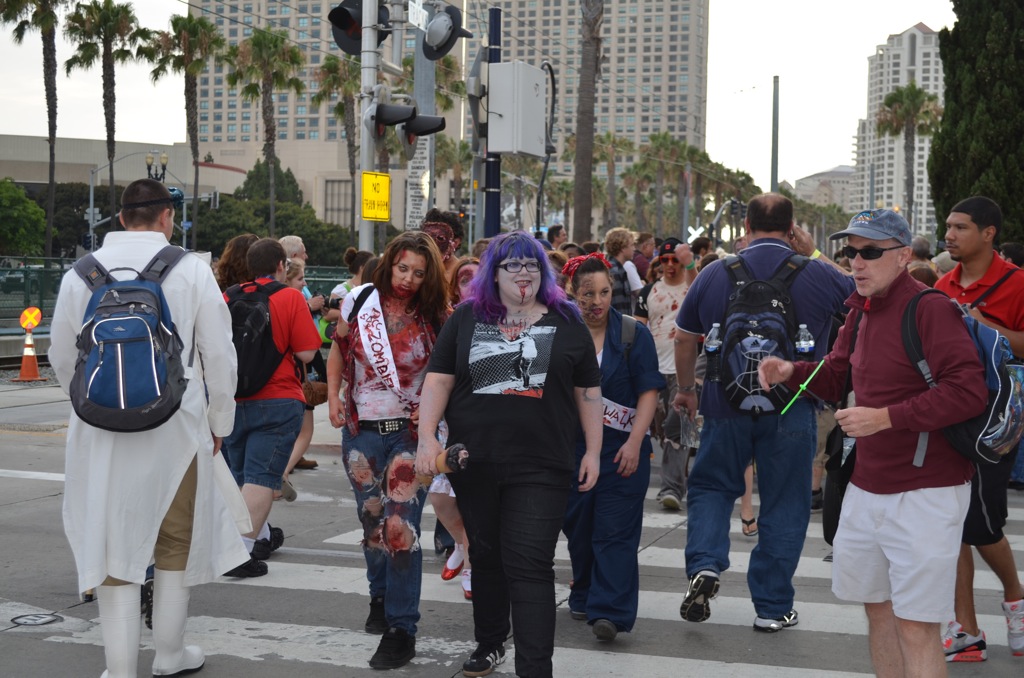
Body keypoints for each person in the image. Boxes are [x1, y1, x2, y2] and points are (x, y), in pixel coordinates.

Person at [759, 208, 989, 677]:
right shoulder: (859, 311)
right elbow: (837, 373)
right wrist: (791, 371)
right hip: (867, 486)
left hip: (927, 491)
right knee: (878, 610)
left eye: (869, 251)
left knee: (916, 624)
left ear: (903, 256)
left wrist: (885, 418)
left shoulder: (930, 308)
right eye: (851, 251)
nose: (856, 262)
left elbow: (968, 393)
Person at [49, 178, 249, 677]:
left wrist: (94, 404)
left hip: (99, 434)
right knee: (174, 540)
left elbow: (61, 357)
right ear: (167, 217)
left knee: (110, 540)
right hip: (175, 427)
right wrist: (219, 421)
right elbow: (219, 355)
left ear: (120, 218)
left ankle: (119, 669)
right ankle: (169, 655)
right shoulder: (191, 269)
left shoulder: (80, 274)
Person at [415, 231, 603, 678]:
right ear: (493, 273)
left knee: (530, 563)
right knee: (485, 554)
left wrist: (593, 451)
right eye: (513, 265)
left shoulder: (567, 319)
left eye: (532, 264)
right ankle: (490, 641)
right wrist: (427, 438)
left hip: (543, 464)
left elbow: (589, 392)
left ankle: (535, 669)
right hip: (474, 462)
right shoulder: (466, 318)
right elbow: (438, 379)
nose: (524, 273)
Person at [673, 193, 854, 632]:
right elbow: (865, 300)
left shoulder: (715, 272)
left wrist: (687, 390)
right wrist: (813, 253)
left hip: (723, 404)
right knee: (786, 502)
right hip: (793, 405)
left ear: (746, 227)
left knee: (712, 487)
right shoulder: (817, 273)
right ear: (792, 229)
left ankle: (706, 564)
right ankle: (772, 608)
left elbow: (683, 337)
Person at [326, 231, 450, 670]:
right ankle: (379, 596)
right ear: (388, 263)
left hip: (410, 438)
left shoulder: (437, 314)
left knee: (400, 529)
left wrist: (432, 414)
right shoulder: (360, 301)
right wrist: (333, 395)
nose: (408, 279)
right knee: (372, 521)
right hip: (361, 433)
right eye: (402, 268)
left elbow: (448, 375)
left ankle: (401, 629)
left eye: (418, 272)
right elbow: (338, 350)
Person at [933, 196, 1024, 661]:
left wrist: (987, 327)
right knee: (951, 523)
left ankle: (1016, 598)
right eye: (948, 226)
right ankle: (966, 632)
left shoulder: (1018, 283)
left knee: (982, 524)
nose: (949, 235)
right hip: (949, 414)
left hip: (997, 418)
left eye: (961, 227)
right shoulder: (942, 285)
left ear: (989, 233)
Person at [561, 253, 664, 643]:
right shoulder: (560, 333)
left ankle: (610, 611)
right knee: (581, 529)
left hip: (623, 451)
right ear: (573, 293)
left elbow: (649, 392)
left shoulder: (633, 335)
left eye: (604, 292)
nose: (597, 302)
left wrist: (636, 442)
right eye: (588, 294)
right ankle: (584, 590)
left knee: (615, 533)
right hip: (573, 452)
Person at [221, 239, 323, 573]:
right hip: (278, 399)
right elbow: (307, 352)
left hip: (234, 399)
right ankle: (241, 552)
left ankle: (262, 535)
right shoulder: (290, 297)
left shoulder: (229, 296)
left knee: (241, 477)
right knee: (262, 478)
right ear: (281, 265)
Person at [634, 238, 693, 510]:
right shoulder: (649, 292)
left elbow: (701, 290)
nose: (670, 265)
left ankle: (671, 489)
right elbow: (638, 331)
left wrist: (691, 264)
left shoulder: (692, 288)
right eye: (665, 260)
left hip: (685, 373)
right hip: (654, 371)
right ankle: (677, 478)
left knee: (677, 427)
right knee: (660, 430)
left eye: (675, 260)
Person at [279, 234, 325, 470]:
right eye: (300, 279)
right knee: (304, 430)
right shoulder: (292, 300)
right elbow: (307, 351)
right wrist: (309, 307)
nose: (305, 284)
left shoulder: (272, 300)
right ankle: (283, 471)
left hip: (280, 379)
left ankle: (284, 466)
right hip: (297, 372)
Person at [604, 227, 642, 314]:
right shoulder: (615, 271)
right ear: (622, 248)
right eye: (632, 245)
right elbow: (618, 306)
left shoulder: (617, 268)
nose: (634, 249)